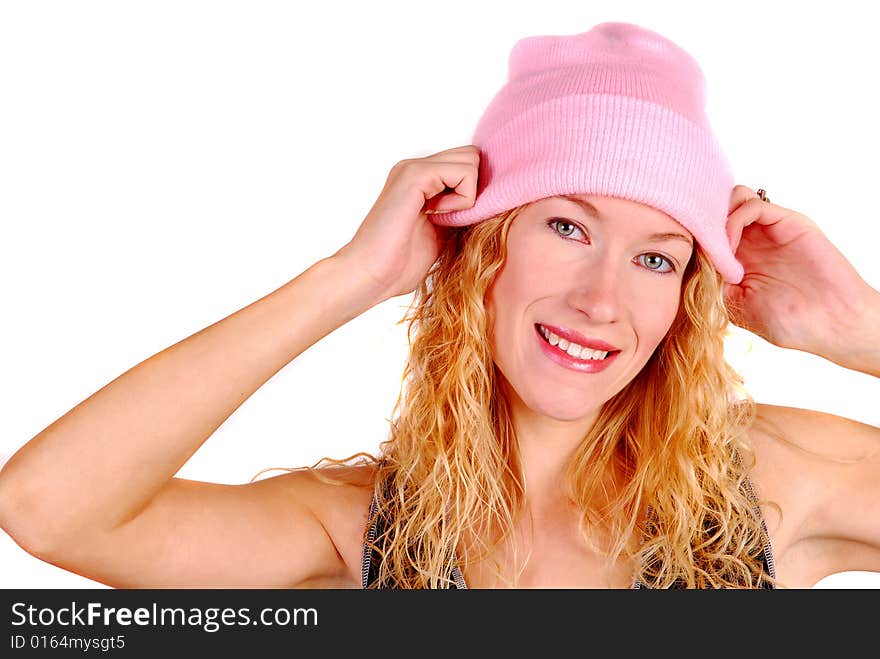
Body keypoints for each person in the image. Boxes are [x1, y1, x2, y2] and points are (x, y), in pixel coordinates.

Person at [0, 21, 877, 590]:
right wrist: (352, 275)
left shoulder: (763, 479)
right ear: (481, 246)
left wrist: (859, 330)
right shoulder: (365, 528)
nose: (602, 298)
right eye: (568, 226)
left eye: (657, 256)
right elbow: (48, 509)